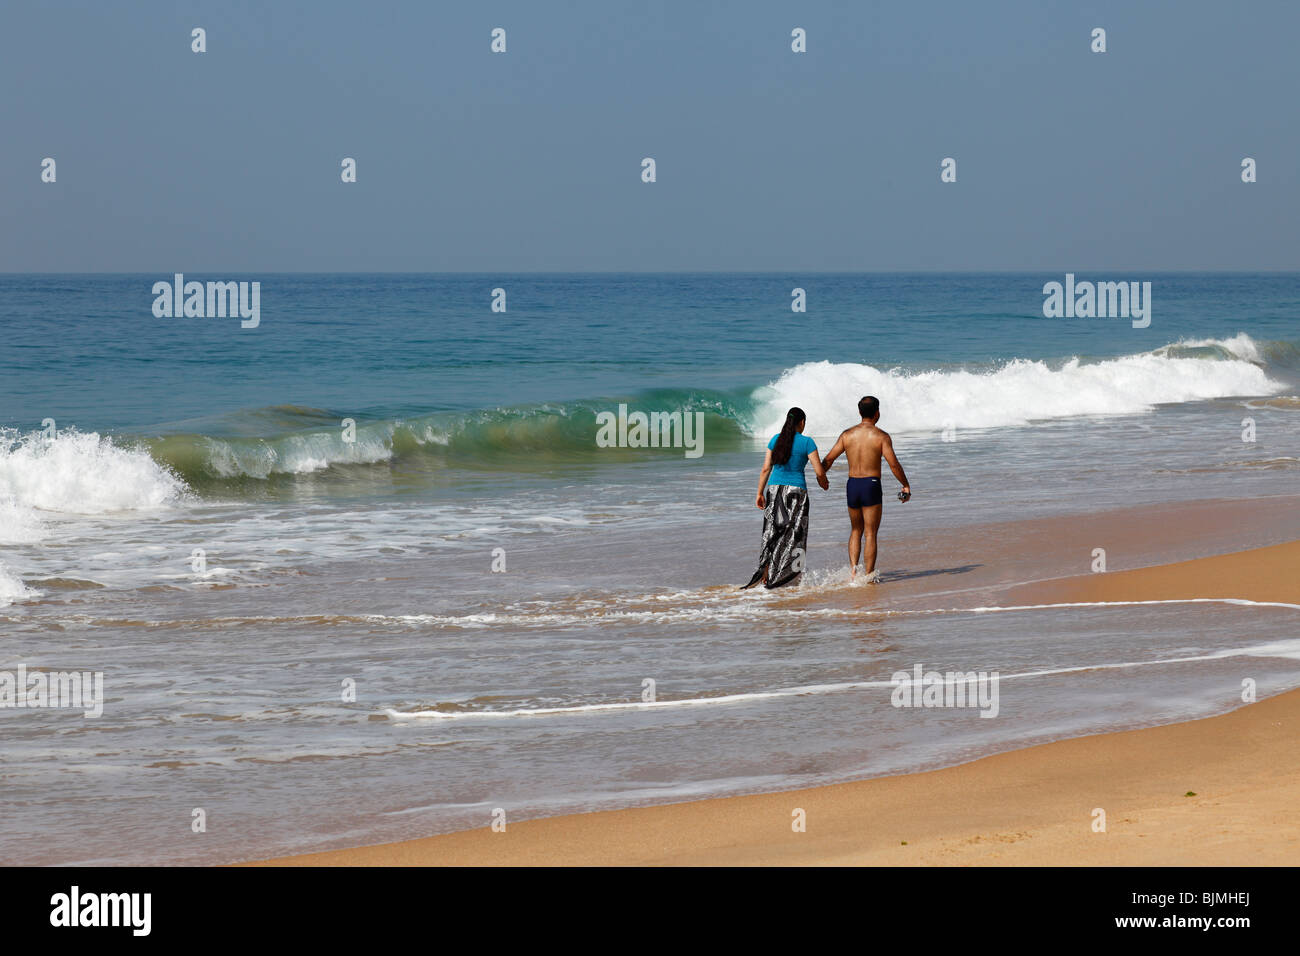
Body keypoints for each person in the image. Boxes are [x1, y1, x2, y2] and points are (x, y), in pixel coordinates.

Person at [819, 396, 911, 583]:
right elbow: (893, 464)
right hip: (871, 485)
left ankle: (853, 572)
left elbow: (828, 460)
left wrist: (822, 477)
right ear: (877, 413)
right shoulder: (881, 436)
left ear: (859, 412)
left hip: (852, 485)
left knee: (855, 530)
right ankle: (868, 576)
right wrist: (905, 484)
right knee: (870, 533)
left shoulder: (847, 435)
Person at [741, 407, 829, 590]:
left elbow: (766, 468)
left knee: (773, 532)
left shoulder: (775, 440)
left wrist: (759, 493)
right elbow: (819, 471)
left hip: (773, 491)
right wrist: (824, 483)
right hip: (797, 492)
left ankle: (766, 573)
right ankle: (792, 576)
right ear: (802, 422)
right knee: (796, 534)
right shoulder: (807, 442)